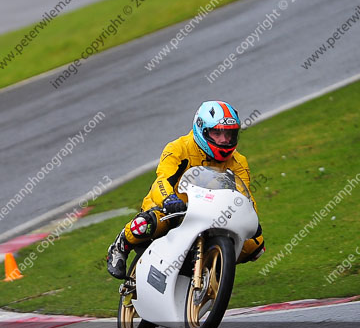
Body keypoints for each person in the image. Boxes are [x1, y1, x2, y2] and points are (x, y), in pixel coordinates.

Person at [106, 100, 265, 279]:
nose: (224, 140)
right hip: (174, 207)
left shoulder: (239, 162)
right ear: (201, 129)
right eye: (217, 133)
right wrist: (169, 200)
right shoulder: (178, 148)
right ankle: (121, 246)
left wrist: (251, 220)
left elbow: (245, 197)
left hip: (213, 211)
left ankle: (214, 264)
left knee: (255, 244)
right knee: (148, 223)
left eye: (229, 134)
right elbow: (162, 179)